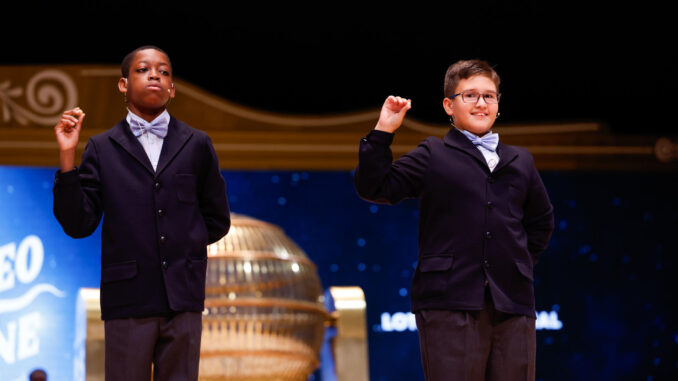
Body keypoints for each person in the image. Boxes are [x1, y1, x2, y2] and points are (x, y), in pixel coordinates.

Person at [354, 59, 554, 380]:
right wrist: (383, 131)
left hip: (512, 304)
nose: (481, 103)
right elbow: (375, 187)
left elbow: (541, 222)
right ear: (449, 105)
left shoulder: (521, 160)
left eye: (489, 96)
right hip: (448, 302)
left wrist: (517, 264)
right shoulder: (434, 154)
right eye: (470, 95)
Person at [53, 46, 230, 381]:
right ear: (123, 84)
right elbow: (78, 224)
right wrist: (67, 157)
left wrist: (183, 249)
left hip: (184, 297)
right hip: (128, 297)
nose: (155, 76)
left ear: (172, 89)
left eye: (163, 72)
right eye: (143, 69)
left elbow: (217, 219)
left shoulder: (197, 143)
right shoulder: (101, 148)